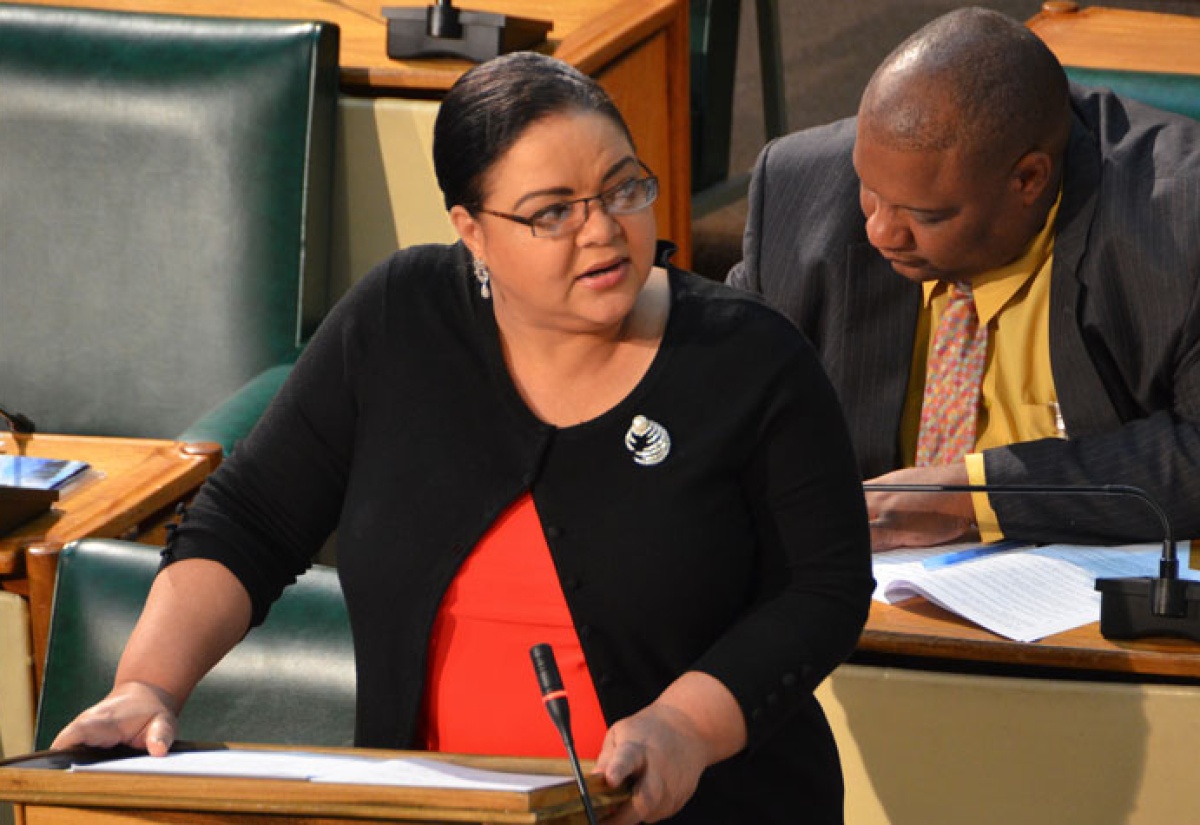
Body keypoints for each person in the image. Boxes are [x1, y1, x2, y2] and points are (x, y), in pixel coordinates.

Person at [51, 52, 873, 823]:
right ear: (471, 228)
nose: (602, 230)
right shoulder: (400, 320)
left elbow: (824, 587)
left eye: (624, 189)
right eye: (553, 212)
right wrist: (147, 685)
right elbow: (250, 519)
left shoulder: (747, 356)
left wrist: (687, 724)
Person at [728, 7, 1200, 551]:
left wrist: (968, 498)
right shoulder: (803, 192)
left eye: (925, 216)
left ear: (1028, 178)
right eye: (870, 191)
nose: (880, 231)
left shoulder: (1177, 220)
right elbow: (723, 407)